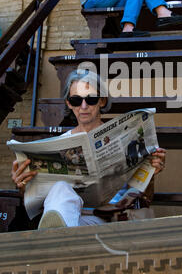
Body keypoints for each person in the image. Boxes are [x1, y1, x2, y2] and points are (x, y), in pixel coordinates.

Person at [11, 70, 166, 229]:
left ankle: (57, 238)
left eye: (91, 99)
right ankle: (59, 234)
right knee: (60, 189)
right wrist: (23, 186)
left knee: (67, 228)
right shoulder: (59, 145)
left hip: (112, 219)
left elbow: (146, 198)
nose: (83, 106)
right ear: (69, 103)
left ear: (102, 101)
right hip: (75, 219)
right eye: (76, 100)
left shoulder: (126, 138)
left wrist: (151, 172)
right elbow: (37, 202)